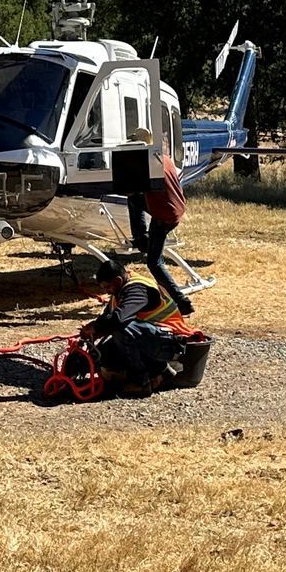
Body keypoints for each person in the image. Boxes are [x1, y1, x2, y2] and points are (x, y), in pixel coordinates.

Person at [84, 256, 191, 394]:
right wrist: (93, 333)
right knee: (103, 355)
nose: (107, 292)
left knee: (121, 329)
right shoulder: (120, 290)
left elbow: (118, 319)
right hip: (154, 338)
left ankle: (141, 382)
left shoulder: (137, 290)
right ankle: (160, 371)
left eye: (108, 287)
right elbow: (107, 318)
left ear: (118, 280)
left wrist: (94, 327)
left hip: (171, 343)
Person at [124, 127, 194, 315]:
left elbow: (131, 190)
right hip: (175, 210)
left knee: (154, 263)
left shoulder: (148, 167)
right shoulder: (164, 159)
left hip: (164, 216)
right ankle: (143, 239)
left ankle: (181, 301)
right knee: (136, 200)